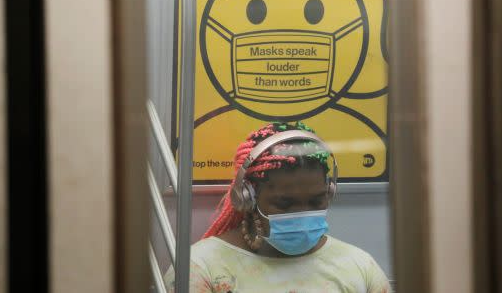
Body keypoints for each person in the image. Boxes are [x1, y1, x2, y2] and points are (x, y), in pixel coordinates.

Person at [165, 122, 391, 292]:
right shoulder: (199, 269)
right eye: (285, 203)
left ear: (329, 193)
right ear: (247, 197)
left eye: (316, 201)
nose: (302, 213)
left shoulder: (359, 268)